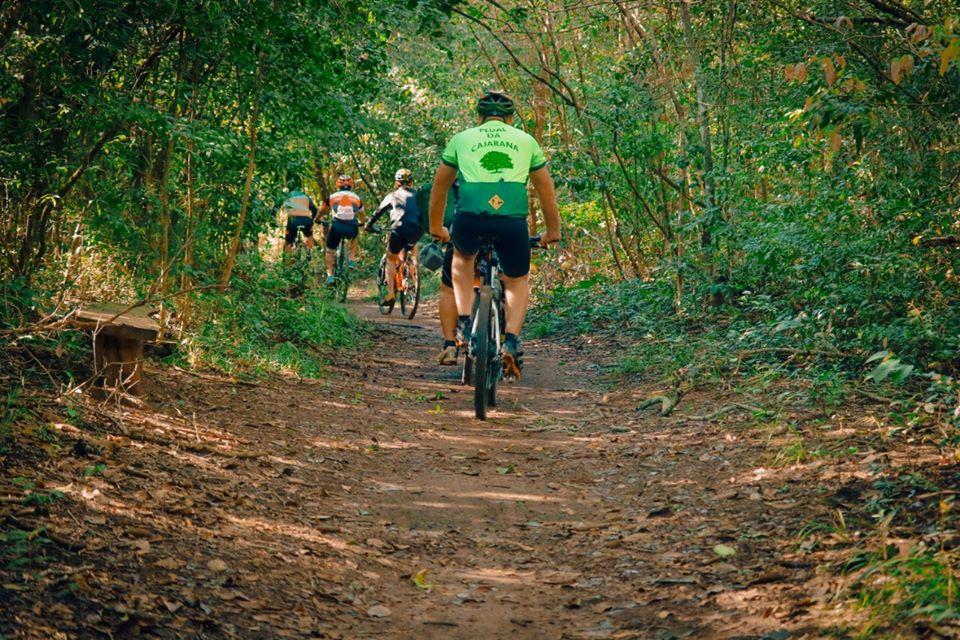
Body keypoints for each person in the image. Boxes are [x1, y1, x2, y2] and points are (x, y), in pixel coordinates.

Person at [428, 90, 561, 380]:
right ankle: (511, 340)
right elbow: (545, 190)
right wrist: (553, 231)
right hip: (511, 219)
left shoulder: (462, 139)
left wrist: (437, 227)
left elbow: (440, 186)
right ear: (511, 118)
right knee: (516, 279)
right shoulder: (526, 141)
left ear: (479, 117)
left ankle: (463, 322)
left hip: (470, 216)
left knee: (462, 258)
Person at [415, 179, 460, 365]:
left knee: (449, 289)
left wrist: (437, 230)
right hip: (504, 233)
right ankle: (508, 340)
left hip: (462, 236)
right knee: (511, 280)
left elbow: (438, 190)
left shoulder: (457, 174)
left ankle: (450, 346)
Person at [364, 169, 423, 309]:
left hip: (398, 229)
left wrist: (368, 226)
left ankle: (390, 294)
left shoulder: (392, 196)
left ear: (397, 182)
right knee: (412, 244)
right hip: (417, 231)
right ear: (412, 182)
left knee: (390, 257)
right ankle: (413, 268)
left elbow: (378, 212)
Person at [318, 175, 364, 285]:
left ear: (338, 185)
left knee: (329, 250)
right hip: (351, 227)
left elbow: (322, 210)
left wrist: (317, 219)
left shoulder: (332, 197)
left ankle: (330, 276)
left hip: (336, 227)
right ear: (351, 185)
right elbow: (362, 214)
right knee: (355, 236)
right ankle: (352, 259)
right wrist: (362, 222)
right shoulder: (357, 198)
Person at [281, 187, 319, 252]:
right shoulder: (306, 196)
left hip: (293, 222)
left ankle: (287, 258)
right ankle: (311, 253)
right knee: (309, 236)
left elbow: (276, 207)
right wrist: (313, 220)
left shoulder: (287, 196)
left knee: (288, 241)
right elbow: (314, 210)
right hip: (306, 221)